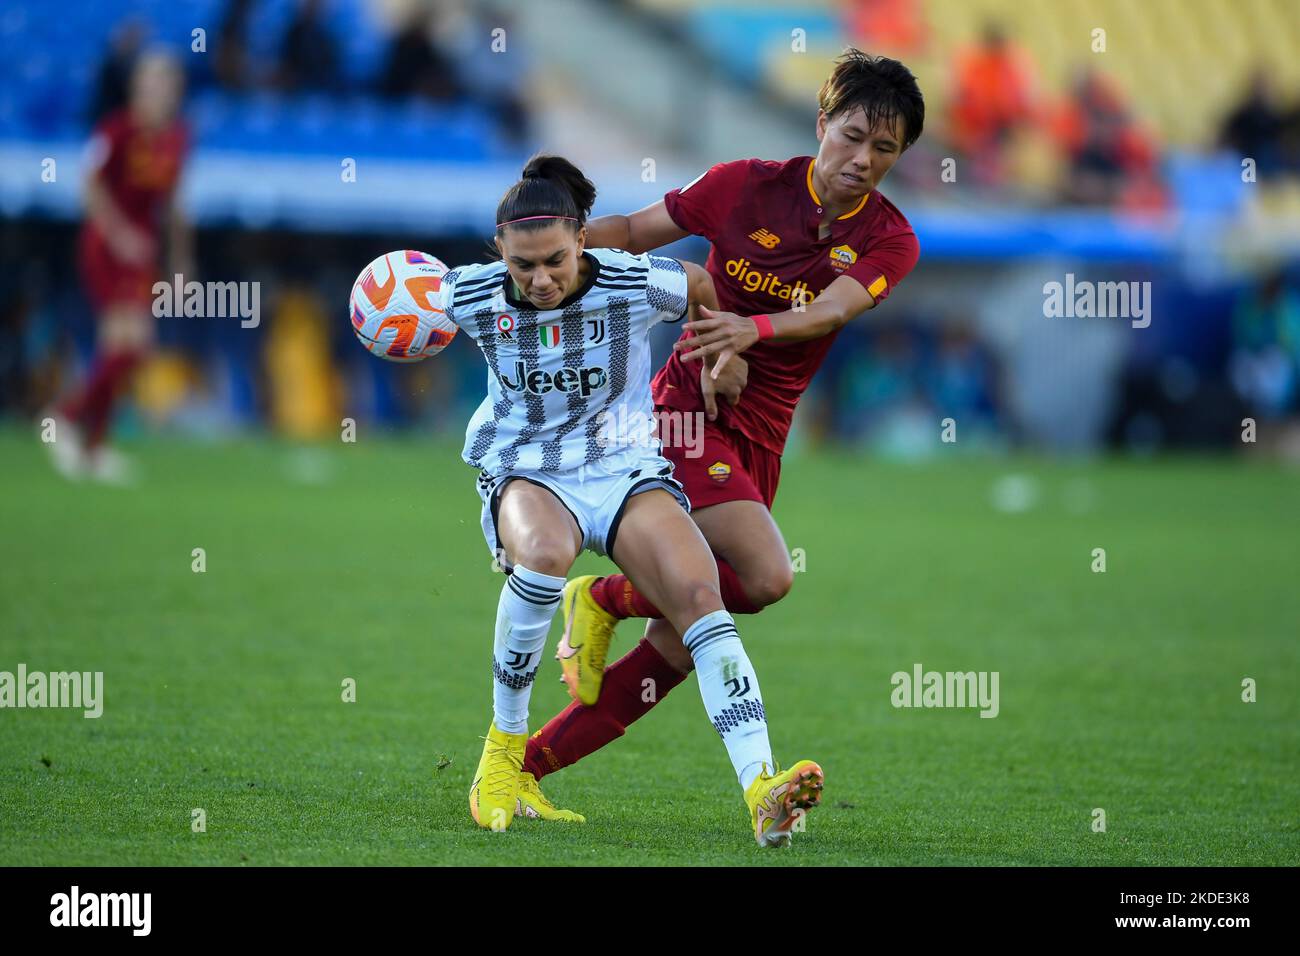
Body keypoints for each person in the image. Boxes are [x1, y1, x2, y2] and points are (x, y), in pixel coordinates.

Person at [521, 50, 923, 810]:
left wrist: (749, 332)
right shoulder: (744, 184)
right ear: (821, 124)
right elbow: (638, 232)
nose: (862, 160)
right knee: (767, 577)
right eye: (853, 135)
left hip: (762, 438)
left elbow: (833, 310)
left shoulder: (890, 239)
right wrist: (553, 253)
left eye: (884, 149)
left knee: (676, 642)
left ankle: (529, 764)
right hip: (683, 412)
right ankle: (607, 600)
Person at [442, 155, 823, 845]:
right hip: (528, 469)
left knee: (701, 597)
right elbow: (393, 304)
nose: (539, 279)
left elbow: (703, 281)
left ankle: (762, 789)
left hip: (625, 469)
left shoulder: (632, 280)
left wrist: (721, 354)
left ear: (582, 240)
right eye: (522, 265)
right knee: (546, 554)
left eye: (554, 260)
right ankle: (501, 752)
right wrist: (386, 327)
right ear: (498, 251)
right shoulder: (469, 294)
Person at [50, 51, 191, 482]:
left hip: (142, 251)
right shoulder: (115, 130)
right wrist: (118, 234)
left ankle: (87, 441)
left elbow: (175, 205)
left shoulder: (177, 138)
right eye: (152, 84)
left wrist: (182, 261)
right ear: (137, 88)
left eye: (167, 85)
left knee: (132, 348)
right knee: (125, 339)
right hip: (106, 247)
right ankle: (66, 422)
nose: (159, 93)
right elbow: (89, 187)